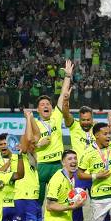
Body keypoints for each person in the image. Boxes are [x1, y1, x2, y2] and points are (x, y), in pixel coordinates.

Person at [0, 109, 41, 221]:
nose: (34, 144)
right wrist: (28, 117)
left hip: (33, 198)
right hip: (23, 198)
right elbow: (30, 137)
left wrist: (32, 120)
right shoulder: (21, 154)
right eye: (31, 144)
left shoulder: (32, 155)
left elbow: (36, 135)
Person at [35, 60, 74, 205]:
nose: (46, 106)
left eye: (48, 104)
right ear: (38, 110)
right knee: (37, 199)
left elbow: (63, 94)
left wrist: (68, 76)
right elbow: (26, 147)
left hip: (57, 164)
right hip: (41, 165)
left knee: (58, 196)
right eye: (42, 105)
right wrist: (39, 144)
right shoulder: (34, 124)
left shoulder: (56, 116)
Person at [62, 97, 93, 221]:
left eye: (88, 119)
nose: (86, 122)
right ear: (79, 119)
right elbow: (66, 115)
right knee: (76, 202)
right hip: (78, 172)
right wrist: (66, 101)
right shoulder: (74, 126)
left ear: (92, 119)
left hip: (95, 172)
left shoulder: (98, 129)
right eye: (83, 119)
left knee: (99, 203)